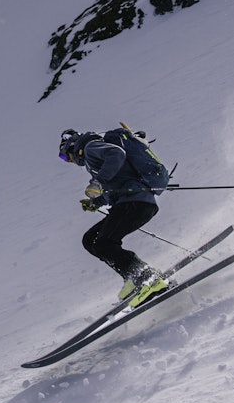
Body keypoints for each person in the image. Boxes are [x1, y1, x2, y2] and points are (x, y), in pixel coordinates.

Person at [59, 128, 169, 307]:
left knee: (104, 243)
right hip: (133, 203)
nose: (68, 161)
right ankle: (133, 277)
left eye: (64, 156)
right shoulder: (93, 158)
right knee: (90, 240)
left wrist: (97, 182)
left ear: (72, 147)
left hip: (135, 203)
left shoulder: (90, 148)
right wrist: (96, 203)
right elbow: (116, 186)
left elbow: (116, 154)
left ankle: (147, 278)